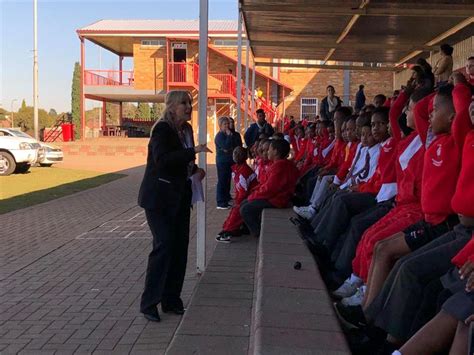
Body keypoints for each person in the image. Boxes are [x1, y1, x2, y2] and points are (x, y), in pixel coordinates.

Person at [138, 90, 211, 322]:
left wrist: (194, 170)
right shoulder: (162, 129)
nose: (189, 107)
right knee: (164, 246)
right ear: (171, 107)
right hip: (159, 199)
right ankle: (149, 303)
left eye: (190, 103)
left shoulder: (186, 130)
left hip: (180, 197)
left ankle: (172, 300)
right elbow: (163, 160)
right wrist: (193, 151)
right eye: (183, 103)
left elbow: (182, 163)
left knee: (179, 248)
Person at [240, 139, 298, 238]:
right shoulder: (280, 164)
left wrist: (254, 196)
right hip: (275, 197)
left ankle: (259, 234)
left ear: (275, 151)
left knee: (246, 209)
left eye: (269, 149)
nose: (267, 152)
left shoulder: (280, 166)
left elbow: (270, 189)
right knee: (245, 203)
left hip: (277, 200)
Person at [216, 147, 257, 243]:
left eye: (239, 154)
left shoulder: (244, 171)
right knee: (235, 210)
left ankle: (227, 231)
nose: (236, 156)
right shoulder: (236, 169)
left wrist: (237, 201)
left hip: (250, 196)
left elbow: (244, 191)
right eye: (235, 153)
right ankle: (227, 228)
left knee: (237, 209)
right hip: (244, 196)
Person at [215, 116, 242, 209]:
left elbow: (234, 145)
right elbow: (226, 146)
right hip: (222, 162)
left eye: (228, 124)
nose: (227, 126)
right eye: (225, 124)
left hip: (228, 161)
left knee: (227, 181)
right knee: (222, 181)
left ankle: (226, 199)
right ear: (220, 125)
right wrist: (229, 137)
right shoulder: (220, 136)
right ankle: (220, 202)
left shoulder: (228, 134)